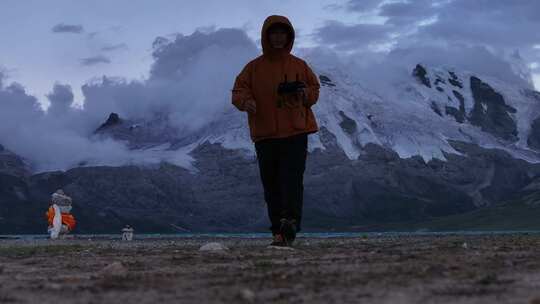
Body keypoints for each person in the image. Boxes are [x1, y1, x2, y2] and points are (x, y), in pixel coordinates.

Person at [231, 15, 320, 246]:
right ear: (266, 36)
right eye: (274, 33)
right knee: (271, 184)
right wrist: (246, 102)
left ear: (288, 37)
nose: (278, 37)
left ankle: (289, 225)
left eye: (283, 33)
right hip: (266, 134)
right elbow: (238, 91)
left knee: (292, 181)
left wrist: (304, 95)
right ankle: (278, 231)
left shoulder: (299, 65)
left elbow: (314, 89)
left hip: (295, 132)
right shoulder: (253, 68)